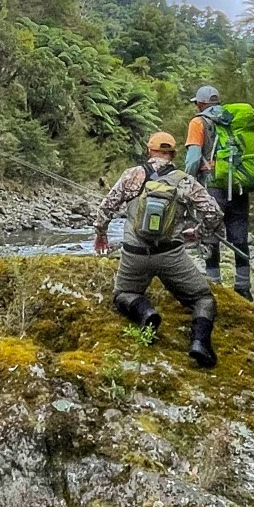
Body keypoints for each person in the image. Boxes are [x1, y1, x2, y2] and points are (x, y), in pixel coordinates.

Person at [93, 130, 222, 368]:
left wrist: (101, 234)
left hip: (134, 255)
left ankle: (145, 312)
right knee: (203, 299)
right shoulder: (185, 181)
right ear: (172, 154)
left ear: (148, 150)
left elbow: (106, 208)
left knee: (123, 294)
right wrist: (199, 233)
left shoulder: (132, 174)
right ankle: (199, 342)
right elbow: (214, 213)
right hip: (171, 256)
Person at [184, 86, 254, 299]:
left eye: (196, 103)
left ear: (200, 103)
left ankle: (214, 285)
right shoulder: (232, 120)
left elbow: (192, 158)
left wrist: (186, 182)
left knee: (211, 235)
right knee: (240, 236)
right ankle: (244, 287)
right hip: (237, 185)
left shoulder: (198, 122)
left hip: (212, 186)